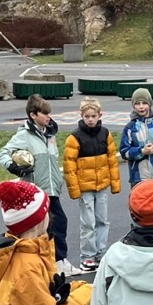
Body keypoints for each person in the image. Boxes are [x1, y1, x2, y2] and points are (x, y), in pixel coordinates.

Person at [0, 96, 73, 272]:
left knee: (58, 223)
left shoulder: (50, 135)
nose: (48, 116)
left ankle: (55, 262)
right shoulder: (24, 135)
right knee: (50, 226)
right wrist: (15, 168)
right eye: (44, 113)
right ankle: (56, 262)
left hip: (51, 188)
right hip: (36, 190)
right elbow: (3, 154)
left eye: (49, 113)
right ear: (33, 115)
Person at [64, 99, 122, 272]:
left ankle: (101, 252)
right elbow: (69, 165)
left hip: (102, 186)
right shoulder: (74, 137)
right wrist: (74, 189)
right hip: (85, 188)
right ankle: (88, 255)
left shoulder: (105, 134)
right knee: (88, 223)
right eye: (87, 116)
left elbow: (112, 160)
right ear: (81, 116)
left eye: (93, 116)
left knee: (102, 220)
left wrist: (115, 183)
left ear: (99, 116)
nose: (90, 119)